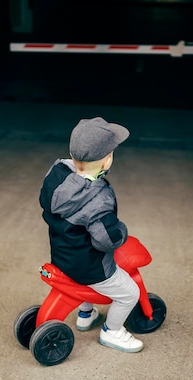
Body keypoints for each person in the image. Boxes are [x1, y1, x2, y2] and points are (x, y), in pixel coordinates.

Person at [38, 117, 143, 353]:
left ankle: (85, 314)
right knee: (129, 293)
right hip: (90, 266)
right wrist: (121, 232)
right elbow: (105, 239)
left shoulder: (56, 175)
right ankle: (113, 332)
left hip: (63, 257)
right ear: (106, 161)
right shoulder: (98, 200)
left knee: (83, 279)